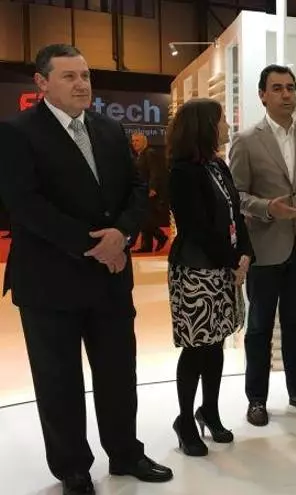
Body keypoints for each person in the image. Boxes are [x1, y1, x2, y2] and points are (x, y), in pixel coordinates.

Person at [0, 44, 172, 495]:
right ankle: (72, 468)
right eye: (69, 76)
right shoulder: (17, 132)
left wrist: (122, 234)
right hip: (49, 281)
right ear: (42, 83)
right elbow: (25, 204)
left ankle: (126, 453)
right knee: (59, 381)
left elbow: (136, 188)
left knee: (119, 373)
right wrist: (94, 245)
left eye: (85, 76)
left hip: (110, 278)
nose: (81, 84)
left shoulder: (110, 128)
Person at [229, 65, 296, 425]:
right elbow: (236, 195)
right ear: (262, 95)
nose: (286, 94)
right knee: (259, 328)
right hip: (264, 248)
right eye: (277, 88)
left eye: (290, 87)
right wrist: (266, 208)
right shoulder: (246, 141)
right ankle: (256, 398)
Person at [166, 98, 252, 456]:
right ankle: (185, 421)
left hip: (224, 268)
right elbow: (197, 228)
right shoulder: (182, 172)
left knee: (216, 344)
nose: (227, 125)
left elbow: (236, 213)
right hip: (196, 271)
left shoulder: (218, 165)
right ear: (204, 126)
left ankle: (210, 412)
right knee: (196, 348)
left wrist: (245, 253)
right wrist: (232, 261)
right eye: (222, 120)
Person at [131, 132, 169, 253]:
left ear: (144, 142)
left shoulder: (149, 153)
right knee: (145, 219)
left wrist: (153, 188)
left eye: (137, 141)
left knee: (146, 219)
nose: (134, 143)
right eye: (133, 141)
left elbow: (155, 172)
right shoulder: (139, 156)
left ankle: (161, 237)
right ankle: (147, 246)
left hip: (149, 191)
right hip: (142, 191)